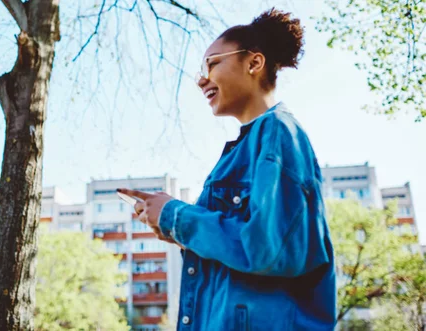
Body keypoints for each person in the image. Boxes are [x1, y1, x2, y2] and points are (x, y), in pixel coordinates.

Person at [118, 8, 336, 331]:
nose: (201, 79)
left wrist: (176, 216)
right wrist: (175, 230)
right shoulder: (244, 150)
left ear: (254, 63)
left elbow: (264, 249)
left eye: (212, 63)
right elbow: (243, 252)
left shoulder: (278, 133)